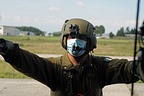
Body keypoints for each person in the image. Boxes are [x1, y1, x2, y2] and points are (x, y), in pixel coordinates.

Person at [0, 18, 143, 96]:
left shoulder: (99, 67)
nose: (75, 41)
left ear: (90, 43)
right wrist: (6, 48)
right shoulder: (54, 68)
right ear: (64, 40)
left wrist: (139, 67)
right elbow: (27, 61)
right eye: (71, 37)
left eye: (81, 38)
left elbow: (125, 69)